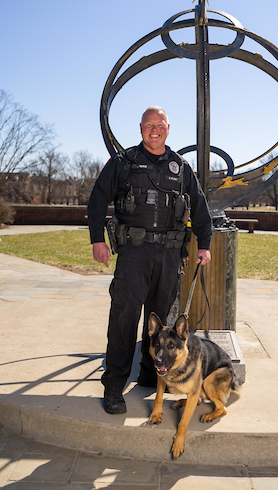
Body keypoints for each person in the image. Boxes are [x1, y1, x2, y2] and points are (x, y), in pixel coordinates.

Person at [88, 106, 212, 414]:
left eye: (160, 125)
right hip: (134, 254)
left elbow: (198, 206)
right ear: (140, 128)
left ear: (168, 129)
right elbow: (97, 198)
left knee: (159, 325)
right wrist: (96, 240)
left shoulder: (181, 167)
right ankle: (114, 388)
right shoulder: (123, 162)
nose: (154, 130)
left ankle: (147, 375)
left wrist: (204, 244)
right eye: (148, 125)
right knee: (124, 321)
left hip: (170, 256)